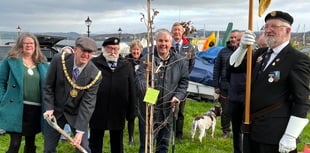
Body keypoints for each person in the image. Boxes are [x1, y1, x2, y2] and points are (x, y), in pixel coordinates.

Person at [230, 10, 310, 153]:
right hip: (252, 128)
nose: (268, 30)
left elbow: (302, 100)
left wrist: (291, 135)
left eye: (273, 26)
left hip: (276, 134)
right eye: (266, 26)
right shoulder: (262, 54)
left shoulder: (297, 59)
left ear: (287, 30)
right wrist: (242, 48)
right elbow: (234, 67)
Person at [43, 37, 102, 153]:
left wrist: (80, 131)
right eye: (83, 51)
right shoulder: (59, 60)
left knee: (83, 148)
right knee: (48, 149)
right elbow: (48, 86)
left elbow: (88, 104)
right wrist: (49, 108)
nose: (86, 54)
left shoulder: (95, 74)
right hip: (55, 112)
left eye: (89, 52)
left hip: (77, 114)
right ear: (75, 50)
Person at [135, 28, 189, 153]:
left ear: (170, 43)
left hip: (168, 110)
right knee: (146, 146)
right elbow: (139, 80)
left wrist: (178, 96)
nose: (163, 44)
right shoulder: (147, 59)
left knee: (163, 146)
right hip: (148, 111)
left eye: (166, 41)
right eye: (160, 41)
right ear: (155, 42)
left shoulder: (180, 61)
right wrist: (148, 91)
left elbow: (184, 82)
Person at [0, 32, 49, 153]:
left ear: (36, 45)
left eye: (31, 43)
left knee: (31, 144)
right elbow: (1, 81)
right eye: (25, 43)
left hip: (35, 109)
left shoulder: (42, 63)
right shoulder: (10, 60)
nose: (28, 45)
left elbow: (48, 86)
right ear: (20, 45)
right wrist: (3, 100)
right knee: (15, 144)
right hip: (16, 108)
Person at [89, 37, 136, 153]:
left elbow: (132, 89)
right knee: (95, 143)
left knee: (117, 145)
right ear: (104, 49)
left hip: (118, 111)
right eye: (110, 49)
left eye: (116, 49)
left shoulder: (126, 65)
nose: (113, 52)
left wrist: (131, 112)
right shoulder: (94, 64)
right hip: (98, 110)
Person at [171, 22, 197, 140]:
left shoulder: (189, 47)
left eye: (179, 30)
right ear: (172, 32)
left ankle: (179, 134)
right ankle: (168, 132)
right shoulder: (168, 45)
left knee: (180, 110)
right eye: (174, 30)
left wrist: (184, 75)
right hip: (169, 82)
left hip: (182, 83)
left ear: (182, 32)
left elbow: (191, 64)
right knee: (168, 109)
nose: (177, 32)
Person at [213, 29, 241, 138]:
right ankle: (226, 131)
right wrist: (216, 85)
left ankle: (239, 131)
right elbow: (217, 68)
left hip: (240, 87)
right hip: (225, 86)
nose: (233, 39)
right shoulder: (223, 52)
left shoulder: (245, 51)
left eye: (235, 37)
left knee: (239, 111)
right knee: (226, 111)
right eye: (231, 37)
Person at [226, 31, 245, 153]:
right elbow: (228, 74)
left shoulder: (254, 56)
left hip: (248, 99)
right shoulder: (232, 57)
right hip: (234, 98)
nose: (238, 42)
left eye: (241, 40)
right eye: (237, 40)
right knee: (236, 130)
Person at [125, 40, 143, 146]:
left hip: (143, 93)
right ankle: (131, 138)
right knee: (131, 117)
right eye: (134, 49)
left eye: (137, 49)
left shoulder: (145, 60)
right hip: (130, 93)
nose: (135, 51)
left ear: (141, 50)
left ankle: (143, 138)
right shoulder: (126, 61)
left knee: (143, 117)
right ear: (131, 50)